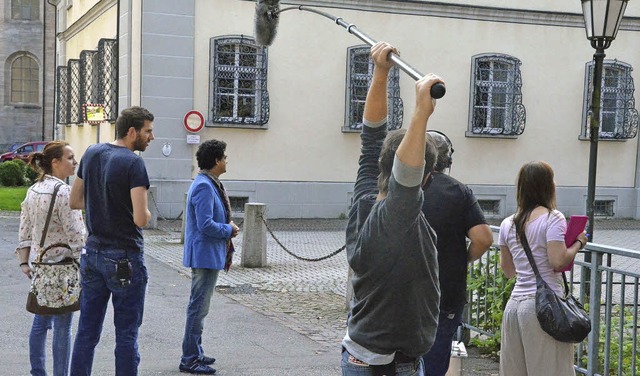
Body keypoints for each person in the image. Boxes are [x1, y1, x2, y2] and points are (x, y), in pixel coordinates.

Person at [341, 41, 443, 376]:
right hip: (382, 366)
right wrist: (420, 113)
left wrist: (381, 72)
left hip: (375, 356)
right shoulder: (394, 216)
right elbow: (406, 178)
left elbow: (372, 136)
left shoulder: (367, 195)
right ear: (427, 177)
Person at [69, 106, 155, 376]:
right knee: (126, 334)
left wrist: (102, 205)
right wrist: (143, 210)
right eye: (147, 131)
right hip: (125, 257)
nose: (151, 137)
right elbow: (141, 219)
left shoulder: (92, 152)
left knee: (87, 331)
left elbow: (75, 200)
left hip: (92, 253)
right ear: (132, 132)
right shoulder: (133, 162)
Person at [498, 161, 587, 376]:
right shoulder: (552, 218)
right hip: (543, 309)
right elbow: (558, 261)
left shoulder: (507, 223)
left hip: (514, 307)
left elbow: (508, 271)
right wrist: (578, 243)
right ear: (547, 186)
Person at [420, 131, 493, 376]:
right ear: (448, 161)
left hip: (401, 293)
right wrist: (463, 259)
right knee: (434, 362)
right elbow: (483, 239)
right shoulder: (458, 191)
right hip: (445, 291)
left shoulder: (399, 187)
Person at [16, 141, 86, 376]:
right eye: (70, 157)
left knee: (40, 322)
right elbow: (77, 236)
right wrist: (84, 264)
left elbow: (24, 229)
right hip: (62, 268)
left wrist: (24, 262)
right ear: (55, 162)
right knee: (63, 328)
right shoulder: (64, 192)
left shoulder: (33, 189)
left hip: (40, 267)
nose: (75, 162)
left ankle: (38, 372)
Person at [180, 139, 239, 374]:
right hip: (204, 255)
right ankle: (189, 358)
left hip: (207, 254)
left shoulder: (208, 182)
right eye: (224, 157)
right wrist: (229, 230)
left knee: (200, 307)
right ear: (216, 160)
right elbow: (205, 225)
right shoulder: (204, 186)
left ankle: (196, 351)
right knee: (198, 307)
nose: (226, 161)